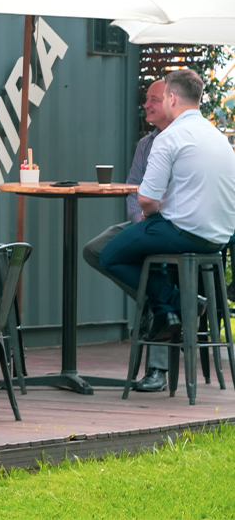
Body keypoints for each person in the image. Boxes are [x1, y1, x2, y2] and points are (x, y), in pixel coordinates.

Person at [101, 69, 235, 344]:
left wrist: (148, 214)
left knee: (109, 255)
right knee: (145, 245)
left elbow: (147, 201)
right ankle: (167, 311)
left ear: (172, 99)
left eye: (161, 99)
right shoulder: (220, 139)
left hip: (182, 233)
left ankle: (180, 301)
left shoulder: (169, 138)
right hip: (217, 240)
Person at [82, 79, 169, 391]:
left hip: (172, 229)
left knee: (153, 264)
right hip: (144, 223)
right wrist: (139, 218)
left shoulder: (183, 142)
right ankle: (160, 300)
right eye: (146, 99)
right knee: (95, 249)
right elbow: (133, 189)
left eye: (153, 99)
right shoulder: (145, 145)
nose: (145, 105)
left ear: (172, 101)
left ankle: (157, 370)